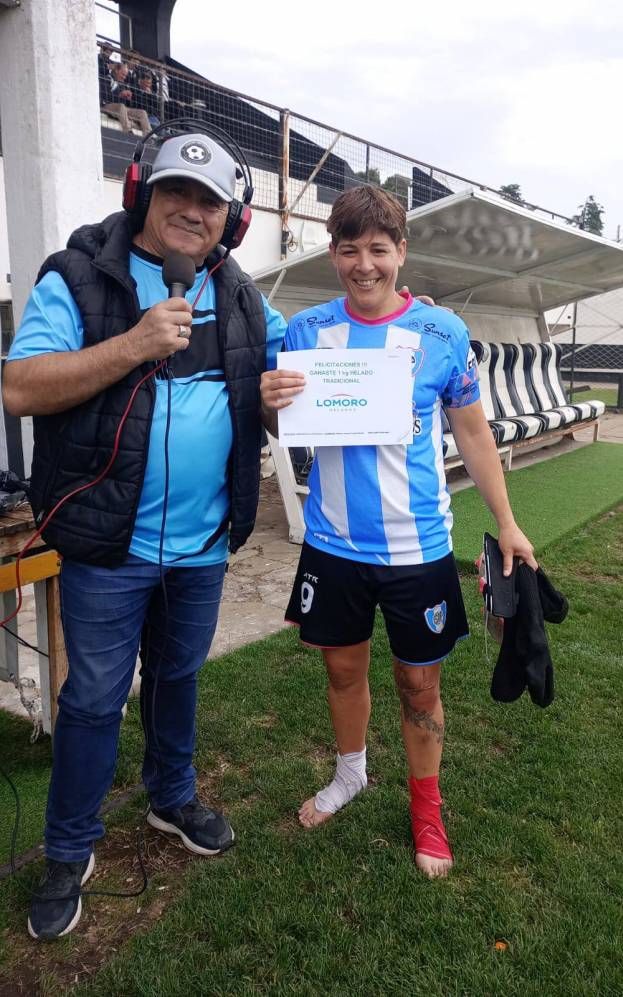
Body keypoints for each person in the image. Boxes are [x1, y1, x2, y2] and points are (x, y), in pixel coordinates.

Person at [3, 130, 288, 941]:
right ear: (142, 194)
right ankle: (69, 850)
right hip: (107, 548)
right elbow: (19, 387)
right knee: (94, 698)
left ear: (231, 221)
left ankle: (171, 797)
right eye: (176, 193)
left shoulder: (240, 294)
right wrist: (133, 344)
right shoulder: (78, 275)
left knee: (177, 676)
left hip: (202, 545)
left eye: (209, 202)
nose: (192, 211)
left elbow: (283, 384)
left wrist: (291, 391)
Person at [260, 186, 536, 879]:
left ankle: (426, 806)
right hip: (333, 543)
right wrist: (269, 406)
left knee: (419, 684)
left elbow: (473, 433)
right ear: (332, 253)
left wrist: (507, 523)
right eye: (349, 250)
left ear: (401, 252)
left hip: (418, 548)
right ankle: (350, 773)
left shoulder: (441, 333)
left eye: (378, 249)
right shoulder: (306, 331)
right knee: (341, 670)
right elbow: (288, 428)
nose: (364, 264)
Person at [100, 60, 151, 135]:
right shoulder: (106, 79)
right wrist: (119, 94)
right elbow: (104, 97)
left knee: (142, 113)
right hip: (106, 106)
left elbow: (127, 104)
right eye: (123, 74)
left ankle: (149, 136)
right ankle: (128, 132)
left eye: (125, 76)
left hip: (122, 109)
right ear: (116, 70)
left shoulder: (123, 85)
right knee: (121, 106)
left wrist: (128, 98)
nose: (124, 77)